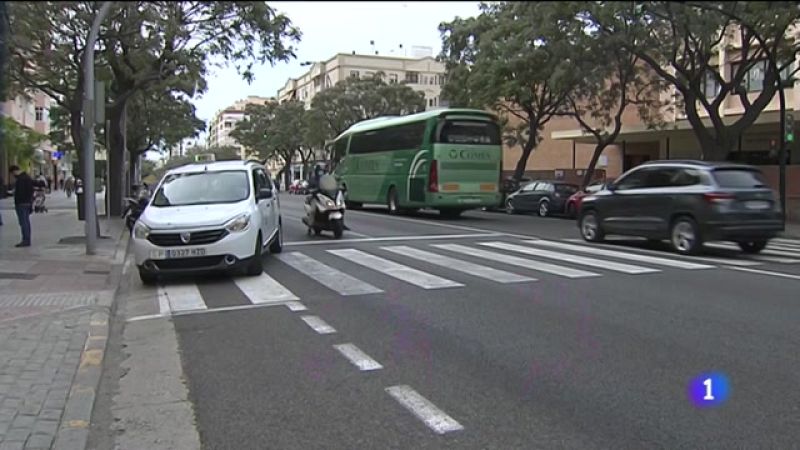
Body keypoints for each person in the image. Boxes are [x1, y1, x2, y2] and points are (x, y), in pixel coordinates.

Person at [9, 165, 35, 247]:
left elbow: (20, 192)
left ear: (14, 171)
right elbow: (31, 190)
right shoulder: (27, 177)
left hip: (21, 203)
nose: (13, 176)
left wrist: (15, 194)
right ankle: (27, 239)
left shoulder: (20, 179)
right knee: (26, 221)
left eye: (13, 174)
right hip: (27, 202)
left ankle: (26, 240)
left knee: (23, 222)